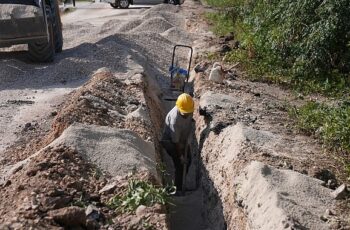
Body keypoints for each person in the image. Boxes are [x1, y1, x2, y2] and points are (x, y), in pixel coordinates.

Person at [161, 93, 194, 192]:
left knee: (189, 161)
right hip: (170, 142)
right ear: (179, 108)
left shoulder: (188, 107)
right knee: (180, 165)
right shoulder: (175, 121)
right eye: (185, 113)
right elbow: (175, 142)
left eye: (188, 113)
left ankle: (181, 183)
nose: (187, 114)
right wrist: (181, 157)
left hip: (182, 139)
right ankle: (177, 189)